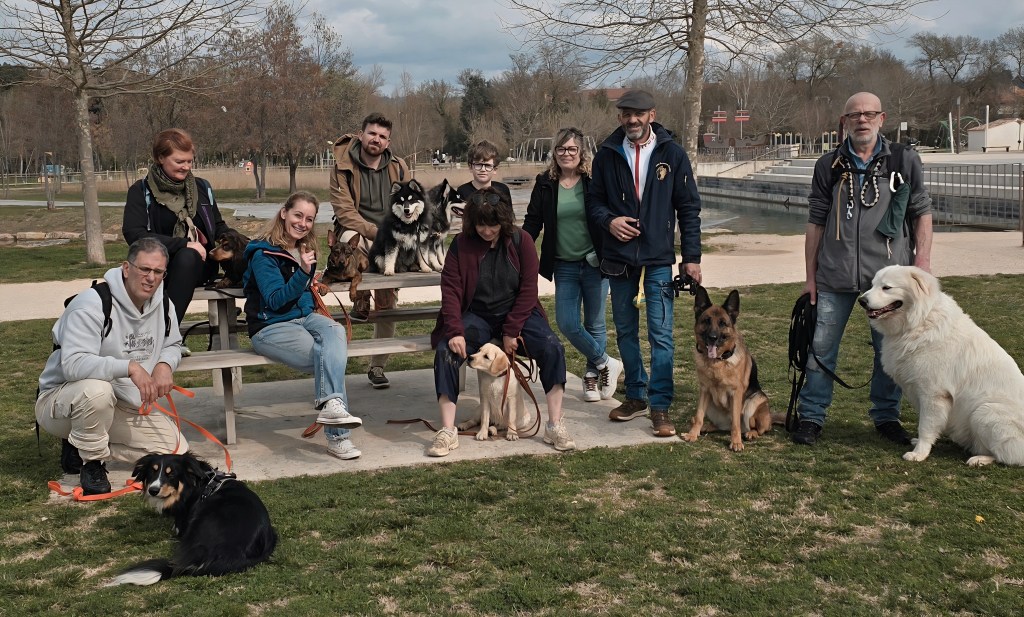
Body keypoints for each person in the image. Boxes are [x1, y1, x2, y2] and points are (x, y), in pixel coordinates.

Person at [792, 91, 933, 446]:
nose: (862, 120)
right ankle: (811, 416)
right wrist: (810, 277)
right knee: (820, 348)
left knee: (888, 352)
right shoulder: (828, 165)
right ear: (845, 121)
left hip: (888, 281)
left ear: (882, 119)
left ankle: (886, 417)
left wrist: (922, 269)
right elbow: (815, 224)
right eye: (854, 115)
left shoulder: (904, 159)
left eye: (869, 114)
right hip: (833, 275)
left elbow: (922, 215)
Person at [587, 89, 703, 438]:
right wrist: (610, 221)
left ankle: (661, 405)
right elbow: (593, 203)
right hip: (619, 260)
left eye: (638, 114)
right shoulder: (607, 155)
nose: (632, 120)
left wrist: (692, 257)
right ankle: (636, 395)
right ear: (620, 117)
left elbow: (689, 208)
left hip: (657, 259)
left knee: (661, 335)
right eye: (625, 114)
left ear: (651, 114)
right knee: (625, 332)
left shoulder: (672, 153)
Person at [427, 187, 574, 456]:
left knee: (553, 347)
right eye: (481, 225)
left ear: (503, 221)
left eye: (493, 224)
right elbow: (450, 289)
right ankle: (448, 431)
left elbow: (529, 289)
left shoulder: (523, 240)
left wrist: (511, 330)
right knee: (446, 351)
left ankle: (554, 424)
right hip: (476, 315)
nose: (486, 231)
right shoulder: (460, 244)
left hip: (518, 312)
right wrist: (455, 330)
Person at [36, 238, 189, 495]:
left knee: (175, 450)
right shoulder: (91, 304)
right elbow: (73, 365)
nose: (151, 278)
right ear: (126, 269)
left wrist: (164, 365)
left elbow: (173, 343)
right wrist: (130, 367)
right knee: (97, 391)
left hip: (121, 403)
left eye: (158, 272)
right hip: (61, 400)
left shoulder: (164, 304)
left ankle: (80, 443)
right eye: (144, 269)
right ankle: (92, 463)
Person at [242, 191, 364, 460]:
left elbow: (301, 291)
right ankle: (338, 437)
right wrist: (303, 274)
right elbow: (275, 300)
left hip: (304, 318)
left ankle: (332, 409)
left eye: (309, 219)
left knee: (336, 331)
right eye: (298, 215)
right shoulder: (263, 254)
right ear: (283, 213)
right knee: (329, 357)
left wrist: (310, 284)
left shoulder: (303, 249)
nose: (303, 223)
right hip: (270, 326)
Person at [523, 127, 622, 404]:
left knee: (595, 323)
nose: (567, 154)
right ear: (554, 153)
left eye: (572, 149)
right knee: (567, 323)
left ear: (581, 153)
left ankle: (592, 377)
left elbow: (608, 215)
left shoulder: (593, 180)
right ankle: (607, 362)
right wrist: (517, 246)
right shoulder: (545, 183)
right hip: (563, 265)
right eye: (561, 149)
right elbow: (533, 221)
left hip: (594, 262)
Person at [330, 112, 410, 389]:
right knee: (351, 236)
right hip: (359, 233)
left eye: (382, 136)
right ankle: (360, 296)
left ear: (388, 142)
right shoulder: (342, 166)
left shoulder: (399, 167)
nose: (376, 139)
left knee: (387, 301)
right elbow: (344, 211)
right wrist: (375, 232)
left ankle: (377, 365)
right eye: (372, 133)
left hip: (389, 236)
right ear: (362, 134)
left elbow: (408, 204)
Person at [122, 128, 233, 327]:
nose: (186, 167)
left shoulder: (202, 187)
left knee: (189, 257)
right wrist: (183, 244)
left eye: (189, 161)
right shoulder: (140, 191)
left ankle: (165, 332)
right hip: (157, 267)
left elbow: (217, 226)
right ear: (160, 158)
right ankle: (166, 333)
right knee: (186, 254)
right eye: (179, 161)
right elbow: (135, 234)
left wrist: (239, 239)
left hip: (200, 266)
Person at [456, 140, 512, 207]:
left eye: (488, 166)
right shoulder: (462, 191)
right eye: (478, 165)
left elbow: (509, 216)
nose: (483, 169)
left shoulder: (502, 190)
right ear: (470, 167)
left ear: (495, 169)